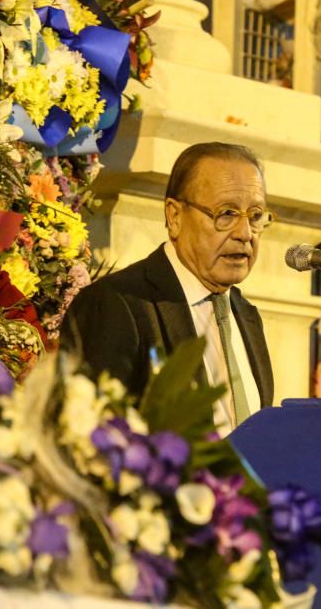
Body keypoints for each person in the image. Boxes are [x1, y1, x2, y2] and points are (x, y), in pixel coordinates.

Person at [62, 142, 275, 432]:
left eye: (256, 216)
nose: (245, 233)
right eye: (226, 214)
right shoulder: (117, 304)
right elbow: (91, 436)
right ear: (174, 217)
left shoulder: (247, 316)